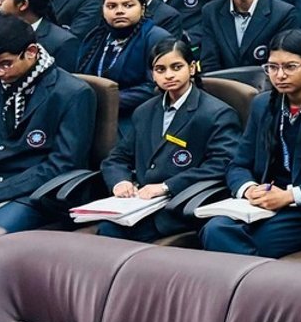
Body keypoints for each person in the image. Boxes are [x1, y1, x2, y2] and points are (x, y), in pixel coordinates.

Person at [201, 30, 301, 257]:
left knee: (257, 243)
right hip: (262, 202)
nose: (279, 75)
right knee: (214, 229)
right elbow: (238, 163)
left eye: (290, 67)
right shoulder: (262, 104)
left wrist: (290, 195)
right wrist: (248, 188)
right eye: (272, 67)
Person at [97, 39, 240, 241]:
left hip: (178, 204)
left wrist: (167, 186)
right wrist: (120, 181)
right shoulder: (144, 111)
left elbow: (222, 164)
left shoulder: (216, 113)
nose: (169, 75)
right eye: (160, 69)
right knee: (106, 228)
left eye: (176, 67)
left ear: (192, 68)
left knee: (112, 233)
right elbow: (117, 158)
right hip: (140, 203)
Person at [0, 13, 97, 232]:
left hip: (35, 193)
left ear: (31, 52)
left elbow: (63, 165)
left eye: (4, 64)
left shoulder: (73, 93)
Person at [77, 0, 174, 117]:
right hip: (92, 112)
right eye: (111, 6)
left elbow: (155, 87)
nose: (119, 11)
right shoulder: (95, 36)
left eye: (128, 5)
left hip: (138, 115)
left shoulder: (157, 38)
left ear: (142, 9)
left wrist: (106, 100)